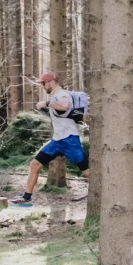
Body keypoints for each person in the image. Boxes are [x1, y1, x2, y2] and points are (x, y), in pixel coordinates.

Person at [11, 72, 89, 206]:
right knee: (35, 165)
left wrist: (46, 103)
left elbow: (64, 105)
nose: (42, 86)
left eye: (44, 83)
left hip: (69, 140)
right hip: (57, 141)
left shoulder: (61, 94)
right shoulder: (55, 96)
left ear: (52, 82)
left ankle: (109, 191)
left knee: (87, 171)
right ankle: (26, 198)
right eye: (41, 83)